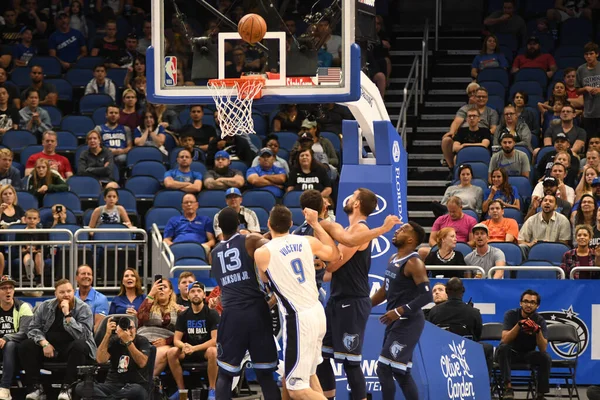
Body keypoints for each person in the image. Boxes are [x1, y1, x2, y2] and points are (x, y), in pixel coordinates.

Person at [255, 205, 340, 399]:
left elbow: (266, 281)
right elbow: (334, 255)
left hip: (298, 318)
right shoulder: (307, 241)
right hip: (317, 311)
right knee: (308, 376)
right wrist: (316, 224)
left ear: (268, 224)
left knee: (296, 389)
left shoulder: (262, 252)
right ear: (291, 224)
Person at [210, 208, 280, 400]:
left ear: (219, 228)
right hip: (256, 312)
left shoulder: (214, 253)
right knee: (265, 374)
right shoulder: (250, 240)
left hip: (231, 314)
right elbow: (274, 244)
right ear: (240, 224)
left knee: (225, 373)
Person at [371, 222, 431, 400]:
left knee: (383, 368)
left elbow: (427, 297)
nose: (397, 230)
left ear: (411, 239)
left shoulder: (414, 262)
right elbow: (384, 291)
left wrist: (399, 311)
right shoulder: (393, 258)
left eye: (403, 229)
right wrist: (365, 306)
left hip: (408, 322)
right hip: (395, 320)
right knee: (401, 372)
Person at [19, 279, 95, 400]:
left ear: (73, 292)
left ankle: (67, 387)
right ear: (56, 294)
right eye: (62, 292)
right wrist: (44, 343)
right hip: (49, 349)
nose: (66, 295)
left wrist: (67, 315)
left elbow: (84, 336)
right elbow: (33, 328)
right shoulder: (45, 306)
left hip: (71, 350)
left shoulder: (83, 308)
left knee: (80, 345)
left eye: (69, 291)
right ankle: (36, 388)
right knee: (26, 345)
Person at [75, 315, 151, 400]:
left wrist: (128, 342)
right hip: (112, 385)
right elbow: (100, 360)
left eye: (131, 328)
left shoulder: (142, 341)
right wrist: (107, 334)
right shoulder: (114, 340)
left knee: (136, 390)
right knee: (81, 386)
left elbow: (142, 363)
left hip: (134, 385)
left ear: (136, 329)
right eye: (125, 328)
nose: (128, 331)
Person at [167, 282, 220, 400]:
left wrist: (194, 348)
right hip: (188, 350)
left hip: (204, 351)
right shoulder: (183, 315)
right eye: (192, 291)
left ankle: (212, 389)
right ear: (188, 295)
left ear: (204, 295)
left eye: (199, 291)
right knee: (171, 352)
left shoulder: (212, 313)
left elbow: (214, 340)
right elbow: (176, 340)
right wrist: (184, 346)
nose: (196, 294)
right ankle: (182, 391)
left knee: (213, 351)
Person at [496, 289, 552, 400]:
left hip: (528, 354)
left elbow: (543, 348)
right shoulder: (511, 315)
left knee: (545, 357)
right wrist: (519, 325)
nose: (528, 305)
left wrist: (538, 331)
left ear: (537, 306)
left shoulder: (539, 320)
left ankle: (540, 394)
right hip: (510, 353)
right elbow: (504, 340)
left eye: (532, 302)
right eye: (526, 301)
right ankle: (508, 388)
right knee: (503, 348)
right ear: (520, 303)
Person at [0, 275, 34, 400]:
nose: (8, 291)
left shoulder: (24, 307)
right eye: (3, 288)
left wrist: (7, 338)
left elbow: (26, 332)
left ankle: (5, 388)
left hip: (17, 350)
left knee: (10, 345)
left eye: (10, 288)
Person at [137, 278, 179, 377]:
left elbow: (183, 332)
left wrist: (167, 341)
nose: (161, 290)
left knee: (162, 352)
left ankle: (146, 382)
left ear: (170, 292)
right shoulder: (148, 306)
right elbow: (140, 317)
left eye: (164, 287)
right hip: (143, 340)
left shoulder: (179, 310)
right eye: (158, 288)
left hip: (164, 343)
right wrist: (151, 294)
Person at [15, 209, 47, 292]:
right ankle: (30, 275)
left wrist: (36, 250)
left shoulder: (42, 232)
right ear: (25, 219)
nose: (32, 220)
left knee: (39, 255)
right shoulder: (20, 232)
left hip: (37, 253)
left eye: (34, 218)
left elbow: (45, 247)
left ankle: (39, 280)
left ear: (38, 220)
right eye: (29, 218)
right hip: (25, 254)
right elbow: (17, 247)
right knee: (27, 256)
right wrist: (25, 250)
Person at [94, 105, 133, 169]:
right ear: (106, 115)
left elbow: (129, 147)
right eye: (111, 113)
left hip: (122, 155)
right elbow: (95, 145)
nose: (113, 115)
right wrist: (109, 151)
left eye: (116, 113)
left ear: (119, 116)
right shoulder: (99, 128)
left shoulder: (126, 129)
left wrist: (120, 151)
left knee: (122, 158)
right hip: (104, 155)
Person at [576, 41, 600, 141]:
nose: (589, 56)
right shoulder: (581, 69)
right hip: (589, 112)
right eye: (586, 54)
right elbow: (577, 90)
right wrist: (585, 88)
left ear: (597, 54)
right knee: (590, 141)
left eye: (591, 53)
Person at [74, 264, 108, 330]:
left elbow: (98, 327)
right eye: (83, 274)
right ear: (76, 278)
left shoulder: (101, 299)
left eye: (89, 274)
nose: (86, 276)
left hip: (92, 338)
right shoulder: (72, 298)